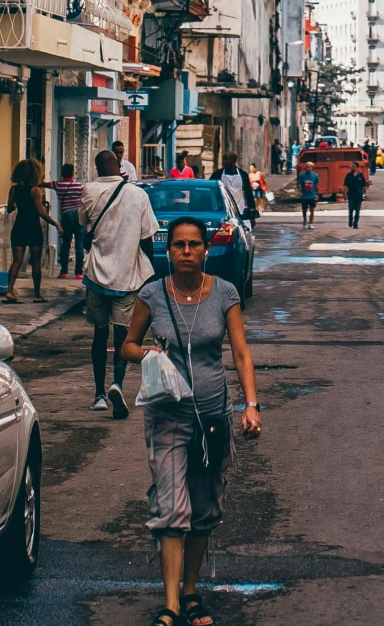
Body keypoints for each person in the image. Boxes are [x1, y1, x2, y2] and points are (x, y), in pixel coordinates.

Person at [122, 217, 261, 626]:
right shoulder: (151, 295)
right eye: (179, 245)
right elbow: (126, 345)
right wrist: (146, 353)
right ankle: (170, 604)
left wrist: (251, 405)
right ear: (169, 252)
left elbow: (240, 353)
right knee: (170, 507)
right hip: (168, 416)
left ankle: (191, 591)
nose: (186, 251)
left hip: (213, 418)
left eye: (194, 245)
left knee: (203, 509)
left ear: (205, 250)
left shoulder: (224, 294)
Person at [80, 149, 162, 417]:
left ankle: (98, 394)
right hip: (127, 277)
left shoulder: (89, 191)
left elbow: (83, 223)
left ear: (97, 168)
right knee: (123, 336)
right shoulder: (138, 195)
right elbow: (148, 238)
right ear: (119, 165)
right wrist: (150, 275)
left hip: (96, 276)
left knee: (99, 334)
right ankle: (117, 382)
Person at [6, 158, 51, 302]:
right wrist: (56, 224)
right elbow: (40, 212)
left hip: (19, 226)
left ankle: (10, 291)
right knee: (36, 261)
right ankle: (37, 295)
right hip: (33, 227)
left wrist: (18, 204)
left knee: (16, 260)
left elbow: (9, 209)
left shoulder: (14, 189)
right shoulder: (35, 190)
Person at [53, 164, 89, 279]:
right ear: (73, 173)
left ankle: (63, 272)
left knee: (65, 243)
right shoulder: (79, 186)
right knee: (79, 244)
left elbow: (43, 183)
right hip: (79, 215)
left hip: (66, 216)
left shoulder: (58, 185)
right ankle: (78, 273)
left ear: (62, 173)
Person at [342, 163, 369, 228]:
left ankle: (355, 223)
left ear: (357, 167)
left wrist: (365, 193)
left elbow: (364, 185)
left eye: (353, 166)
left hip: (359, 195)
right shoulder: (348, 175)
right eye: (351, 166)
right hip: (351, 195)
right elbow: (345, 185)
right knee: (351, 209)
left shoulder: (360, 176)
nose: (351, 167)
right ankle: (350, 220)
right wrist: (345, 194)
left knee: (357, 210)